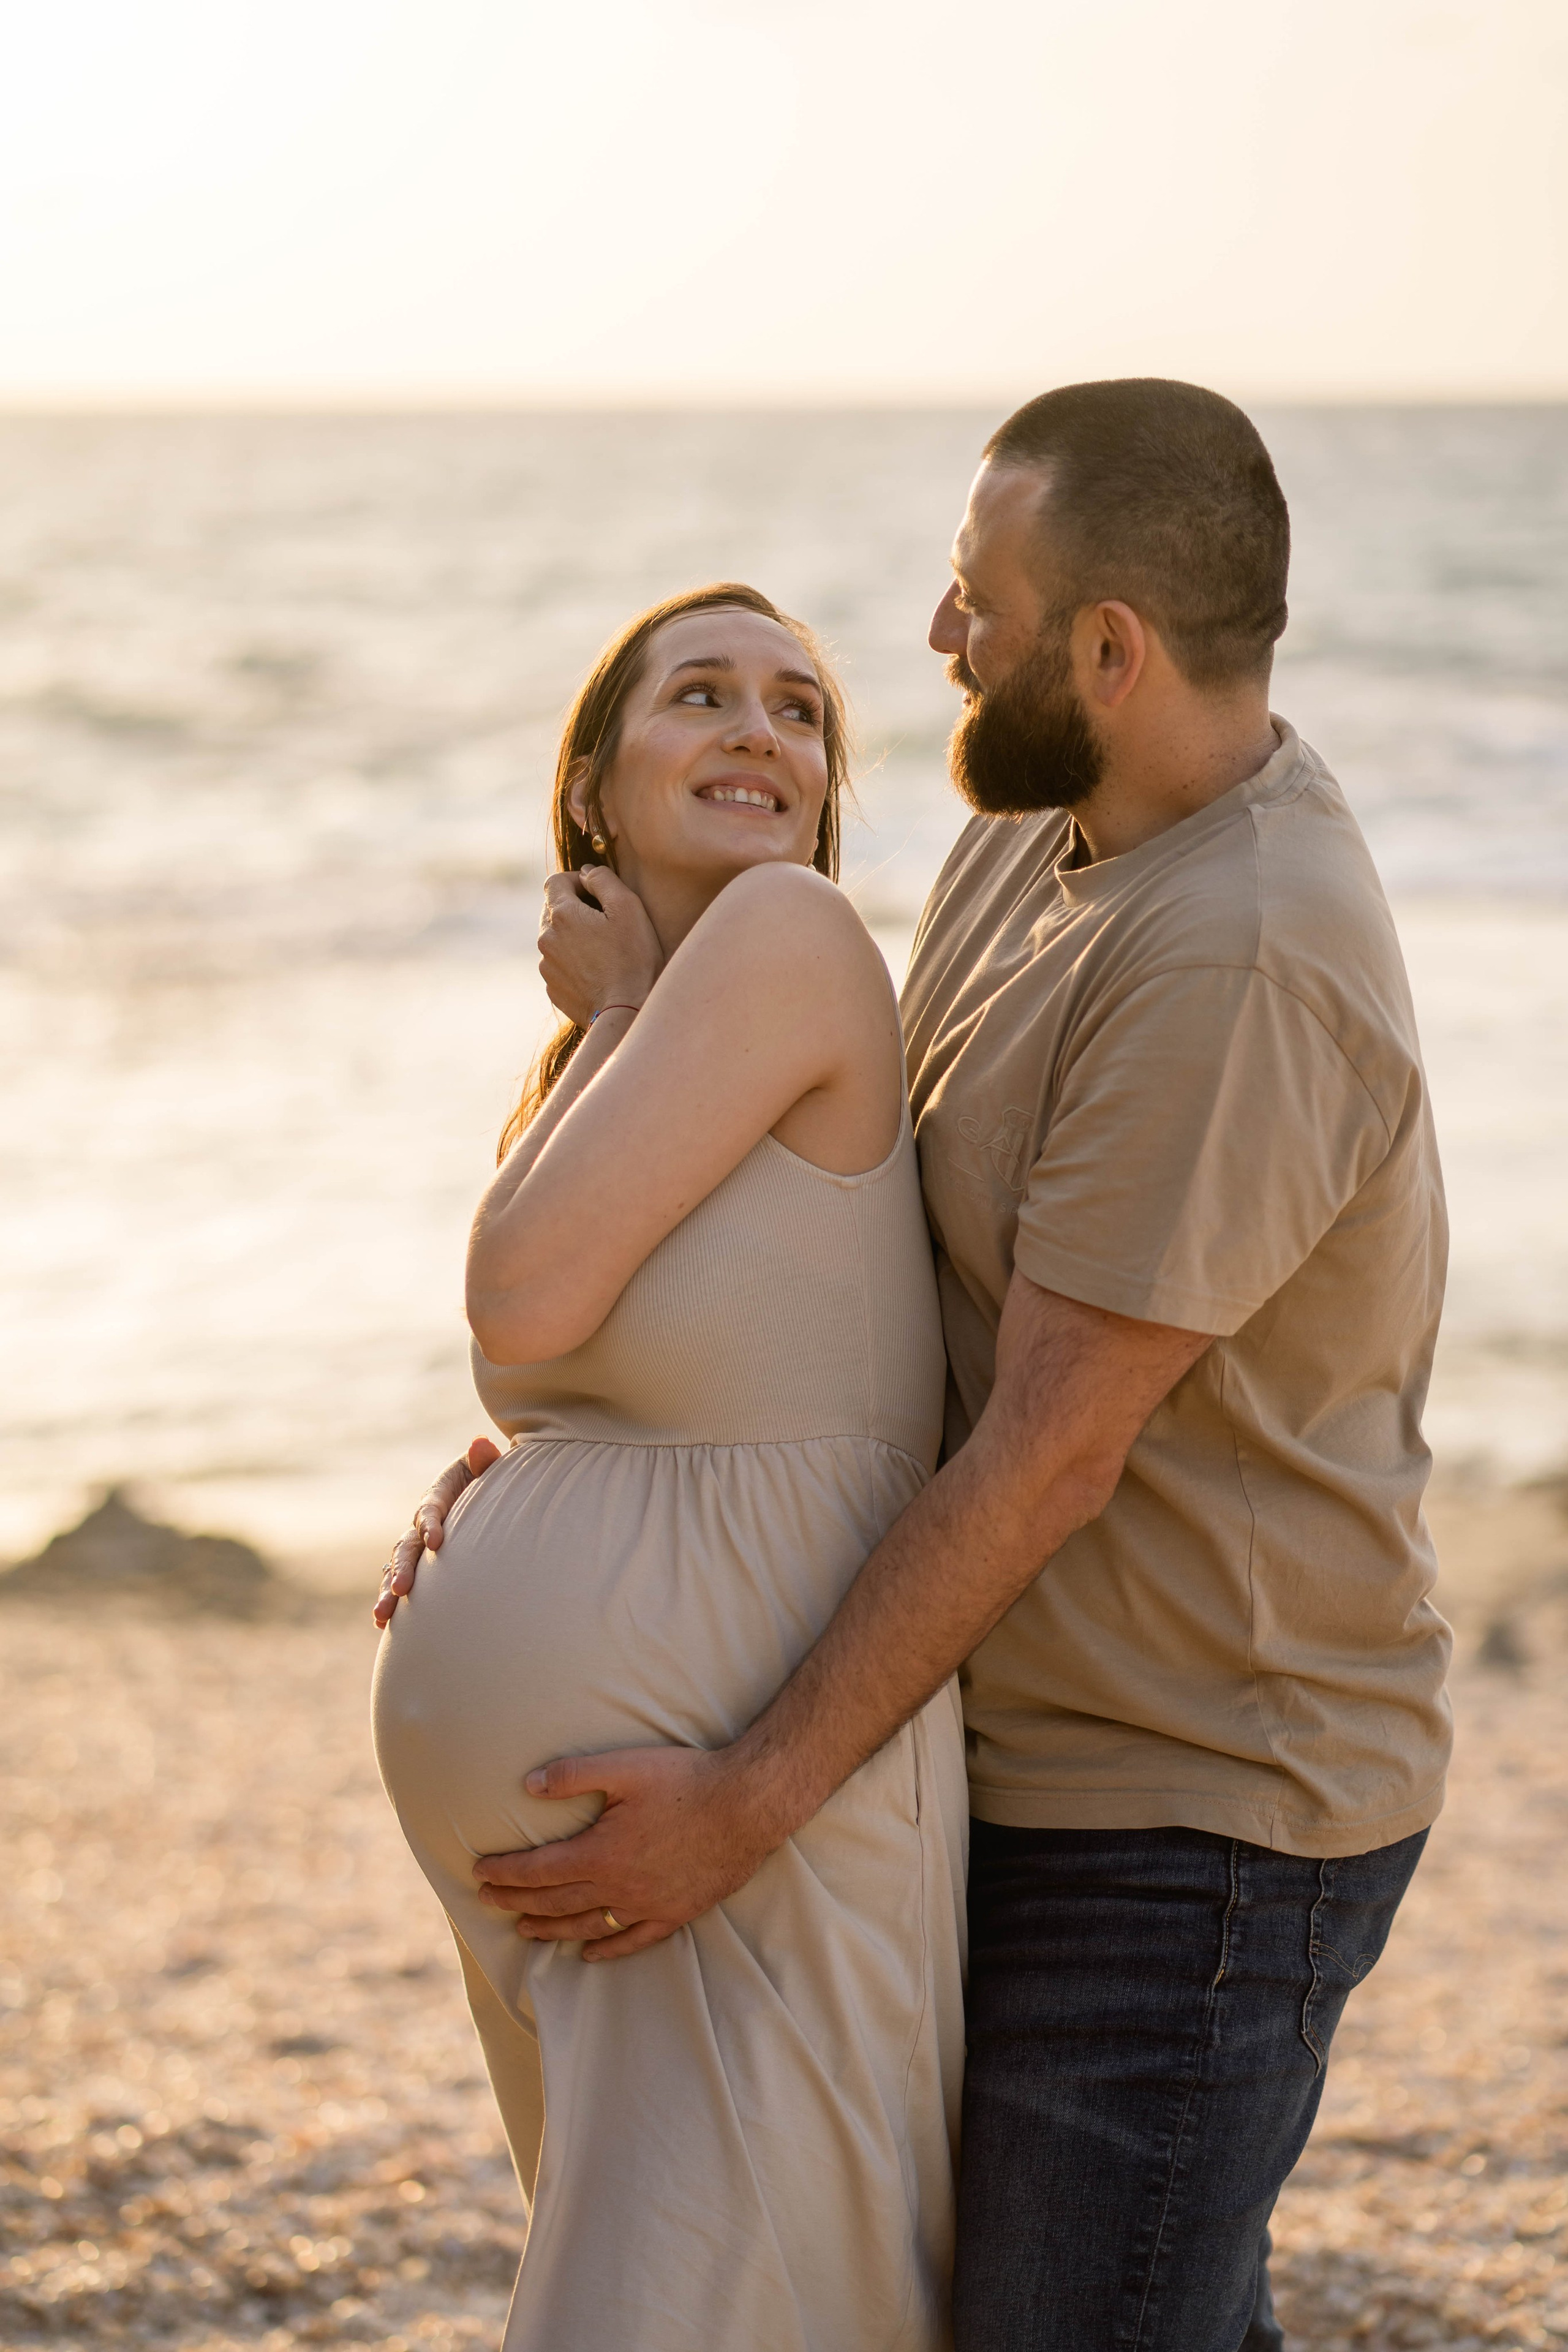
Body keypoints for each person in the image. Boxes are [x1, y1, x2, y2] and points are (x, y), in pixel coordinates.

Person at [393, 380, 1452, 2352]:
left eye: (979, 600)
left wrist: (747, 1800)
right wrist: (555, 1464)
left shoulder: (1239, 950)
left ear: (1109, 650)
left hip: (1195, 1804)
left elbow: (1048, 1455)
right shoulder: (1030, 832)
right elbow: (848, 1275)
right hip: (1007, 1751)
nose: (938, 639)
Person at [371, 583, 969, 2352]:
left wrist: (626, 998)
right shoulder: (622, 1046)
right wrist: (511, 1487)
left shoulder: (787, 937)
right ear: (593, 791)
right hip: (624, 1844)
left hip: (760, 1806)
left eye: (799, 712)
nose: (758, 733)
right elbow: (587, 1366)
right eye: (698, 695)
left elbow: (523, 1284)